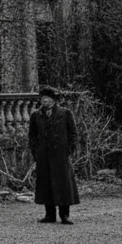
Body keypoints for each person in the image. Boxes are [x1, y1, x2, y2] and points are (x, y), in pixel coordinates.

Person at [29, 85, 80, 224]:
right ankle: (49, 214)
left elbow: (73, 134)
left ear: (53, 100)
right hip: (43, 155)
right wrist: (35, 152)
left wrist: (69, 150)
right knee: (46, 185)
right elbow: (32, 136)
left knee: (63, 185)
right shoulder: (36, 115)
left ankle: (64, 215)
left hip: (60, 155)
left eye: (47, 99)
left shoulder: (65, 113)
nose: (44, 101)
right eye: (42, 99)